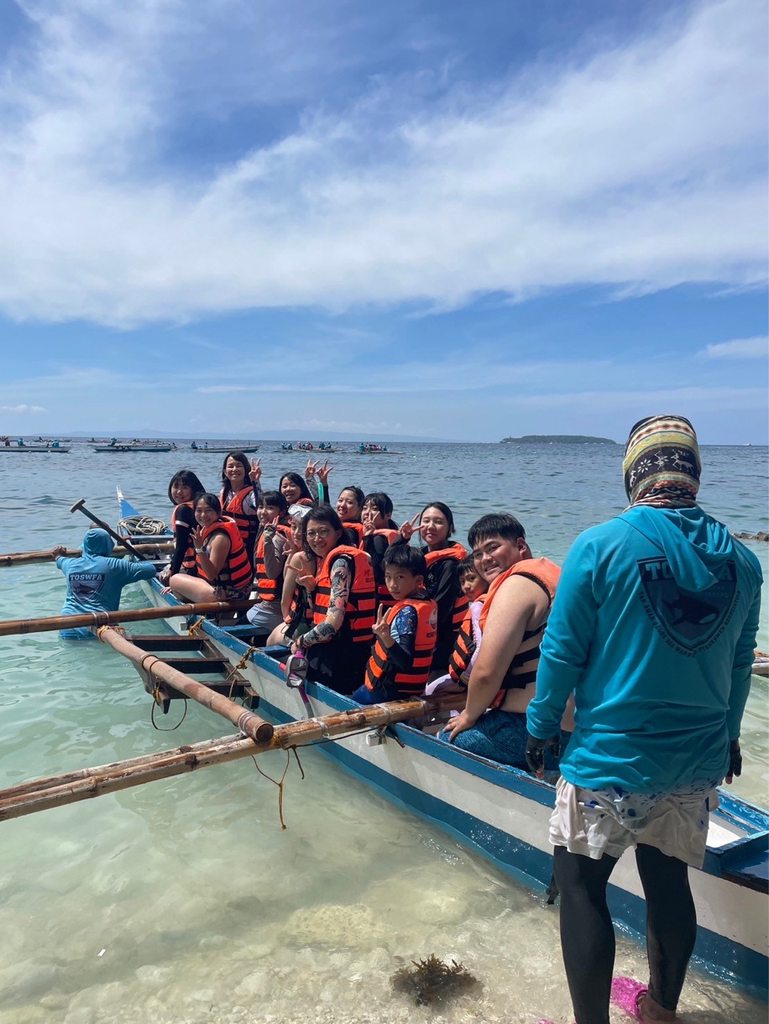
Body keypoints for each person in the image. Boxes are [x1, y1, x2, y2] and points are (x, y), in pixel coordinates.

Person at [525, 415, 763, 1024]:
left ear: (634, 474)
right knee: (669, 887)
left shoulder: (601, 544)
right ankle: (660, 1010)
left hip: (609, 760)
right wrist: (731, 735)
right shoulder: (743, 561)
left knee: (581, 889)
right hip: (694, 763)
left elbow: (561, 650)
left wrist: (542, 725)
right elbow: (739, 664)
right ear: (694, 473)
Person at [442, 513, 565, 770]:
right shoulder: (554, 576)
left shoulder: (515, 586)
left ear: (520, 546)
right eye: (477, 554)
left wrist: (469, 715)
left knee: (448, 739)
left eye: (493, 547)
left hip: (536, 728)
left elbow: (487, 672)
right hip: (574, 723)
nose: (484, 559)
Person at [289, 505, 376, 694]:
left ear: (337, 533)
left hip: (340, 657)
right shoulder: (332, 559)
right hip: (352, 651)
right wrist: (312, 590)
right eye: (311, 533)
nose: (316, 539)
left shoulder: (340, 563)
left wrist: (301, 641)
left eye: (323, 532)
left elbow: (331, 627)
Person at [352, 545, 437, 704]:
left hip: (388, 691)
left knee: (350, 705)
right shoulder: (426, 601)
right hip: (413, 687)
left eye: (400, 577)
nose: (392, 584)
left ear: (418, 581)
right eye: (388, 576)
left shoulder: (407, 612)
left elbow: (405, 661)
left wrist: (385, 637)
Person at [401, 502, 469, 675]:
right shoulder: (421, 554)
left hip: (442, 642)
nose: (431, 526)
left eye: (438, 521)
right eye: (426, 521)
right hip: (420, 633)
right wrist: (402, 539)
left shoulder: (451, 564)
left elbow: (441, 609)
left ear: (450, 528)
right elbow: (391, 568)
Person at [53, 529, 158, 639]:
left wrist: (58, 555)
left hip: (68, 627)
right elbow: (150, 569)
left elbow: (59, 559)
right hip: (101, 628)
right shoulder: (115, 565)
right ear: (108, 545)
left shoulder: (69, 564)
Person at [167, 493, 253, 602]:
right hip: (222, 588)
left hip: (230, 593)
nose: (203, 515)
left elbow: (211, 574)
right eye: (198, 511)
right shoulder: (208, 530)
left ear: (218, 513)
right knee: (179, 583)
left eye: (208, 511)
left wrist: (199, 549)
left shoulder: (220, 538)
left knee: (174, 580)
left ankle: (208, 610)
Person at [246, 491, 292, 641]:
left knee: (247, 618)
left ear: (282, 512)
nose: (263, 512)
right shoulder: (266, 530)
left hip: (275, 608)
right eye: (260, 507)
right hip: (273, 604)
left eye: (270, 508)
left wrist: (267, 541)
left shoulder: (277, 537)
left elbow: (272, 573)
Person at [159, 469, 206, 586]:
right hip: (204, 565)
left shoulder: (183, 510)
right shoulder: (201, 506)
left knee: (159, 576)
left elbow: (181, 546)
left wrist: (173, 574)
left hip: (193, 568)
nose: (179, 492)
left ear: (193, 489)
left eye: (185, 487)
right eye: (176, 487)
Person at [219, 451, 261, 563]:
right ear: (225, 471)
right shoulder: (224, 493)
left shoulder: (251, 493)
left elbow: (262, 508)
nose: (234, 469)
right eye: (230, 466)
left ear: (246, 470)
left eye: (239, 465)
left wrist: (256, 482)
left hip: (248, 547)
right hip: (228, 545)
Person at [360, 492, 400, 608]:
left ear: (388, 515)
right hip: (390, 599)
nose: (367, 513)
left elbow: (376, 570)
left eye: (374, 509)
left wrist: (368, 538)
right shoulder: (394, 536)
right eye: (364, 508)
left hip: (382, 602)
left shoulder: (379, 539)